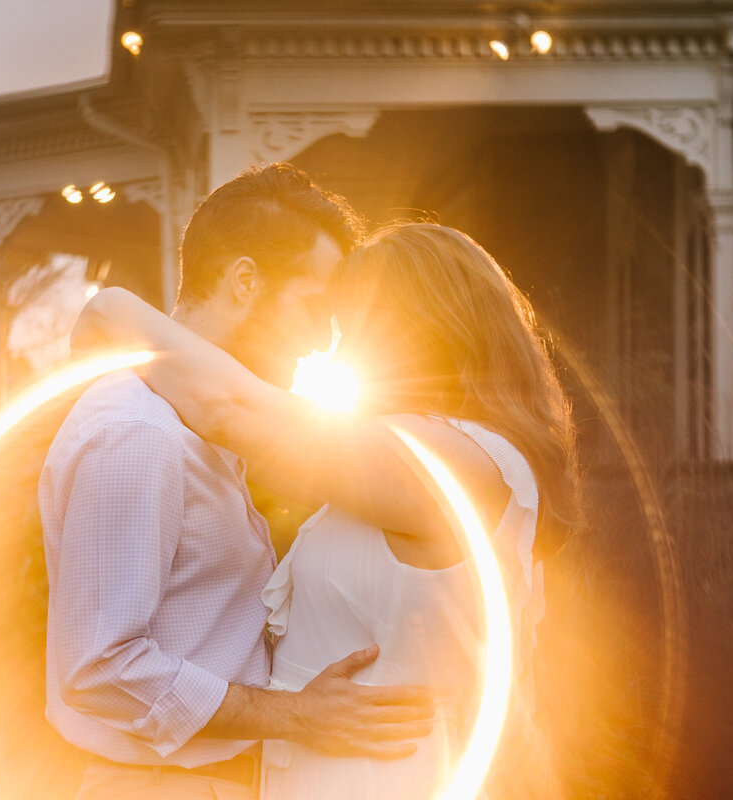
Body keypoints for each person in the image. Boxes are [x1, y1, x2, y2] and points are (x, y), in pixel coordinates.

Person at [73, 221, 581, 799]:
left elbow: (228, 406)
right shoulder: (413, 452)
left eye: (348, 327)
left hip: (390, 778)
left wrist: (111, 308)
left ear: (412, 328)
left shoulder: (446, 459)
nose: (332, 347)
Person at [39, 164, 435, 800]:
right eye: (314, 307)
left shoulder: (196, 428)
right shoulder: (139, 434)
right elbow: (101, 666)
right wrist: (295, 716)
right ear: (245, 280)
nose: (320, 342)